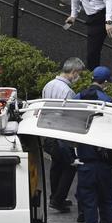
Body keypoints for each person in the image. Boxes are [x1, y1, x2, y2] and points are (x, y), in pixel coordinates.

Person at [42, 58, 85, 213]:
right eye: (78, 74)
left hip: (48, 131)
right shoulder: (68, 92)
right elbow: (71, 117)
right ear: (73, 72)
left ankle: (54, 196)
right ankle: (58, 199)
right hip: (62, 135)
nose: (78, 77)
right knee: (69, 166)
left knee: (56, 165)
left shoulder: (49, 85)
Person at [76, 143, 112, 223]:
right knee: (106, 203)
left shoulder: (84, 129)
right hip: (106, 169)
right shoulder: (108, 131)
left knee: (89, 206)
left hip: (87, 169)